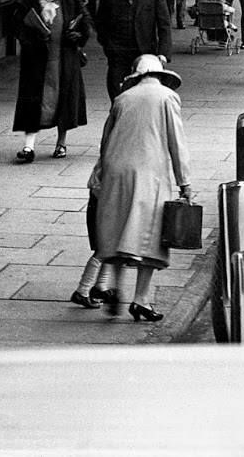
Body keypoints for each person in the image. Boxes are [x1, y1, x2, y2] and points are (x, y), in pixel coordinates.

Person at [88, 55, 193, 322]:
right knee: (150, 236)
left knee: (118, 232)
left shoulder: (122, 99)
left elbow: (105, 140)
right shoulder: (167, 97)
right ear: (160, 75)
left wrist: (101, 173)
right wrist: (185, 182)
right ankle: (141, 300)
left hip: (116, 170)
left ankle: (115, 287)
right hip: (149, 172)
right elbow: (176, 141)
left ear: (136, 75)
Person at [10, 0, 91, 163]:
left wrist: (78, 36)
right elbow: (17, 26)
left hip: (64, 58)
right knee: (33, 100)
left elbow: (85, 24)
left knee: (64, 100)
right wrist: (31, 39)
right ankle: (29, 147)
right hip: (36, 60)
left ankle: (61, 143)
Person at [93, 0, 172, 101]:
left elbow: (164, 26)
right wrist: (108, 45)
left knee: (144, 94)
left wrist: (162, 54)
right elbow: (100, 22)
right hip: (118, 53)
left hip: (145, 52)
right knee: (116, 92)